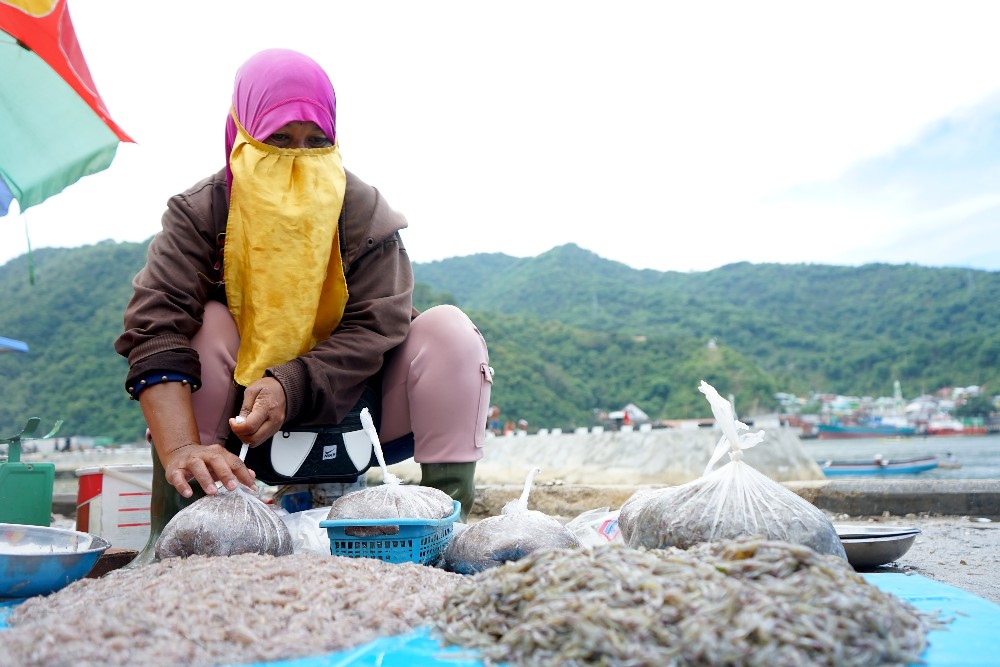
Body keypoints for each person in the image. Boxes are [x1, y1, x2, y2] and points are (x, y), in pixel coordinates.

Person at [115, 48, 492, 562]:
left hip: (355, 408)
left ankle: (447, 530)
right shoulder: (202, 213)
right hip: (238, 425)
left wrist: (291, 383)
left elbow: (376, 323)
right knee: (208, 325)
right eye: (278, 140)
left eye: (316, 142)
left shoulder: (365, 212)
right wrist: (180, 447)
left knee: (450, 331)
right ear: (242, 135)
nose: (298, 158)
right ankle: (178, 532)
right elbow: (154, 325)